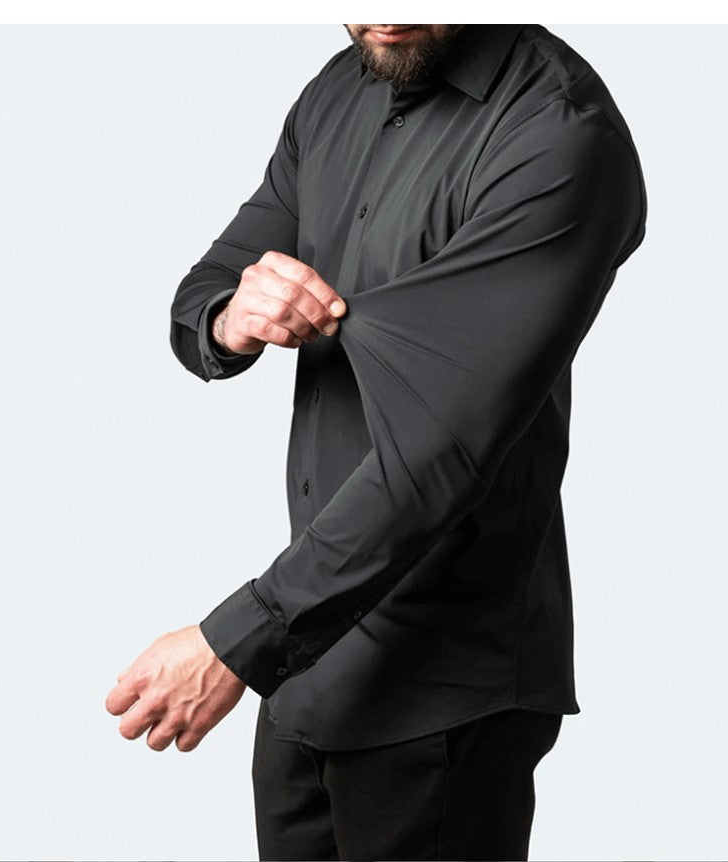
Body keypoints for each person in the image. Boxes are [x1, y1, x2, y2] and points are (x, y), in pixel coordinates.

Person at [105, 24, 647, 860]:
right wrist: (230, 316)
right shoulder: (334, 92)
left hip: (442, 697)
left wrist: (233, 643)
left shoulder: (558, 130)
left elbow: (437, 454)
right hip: (306, 671)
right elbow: (205, 291)